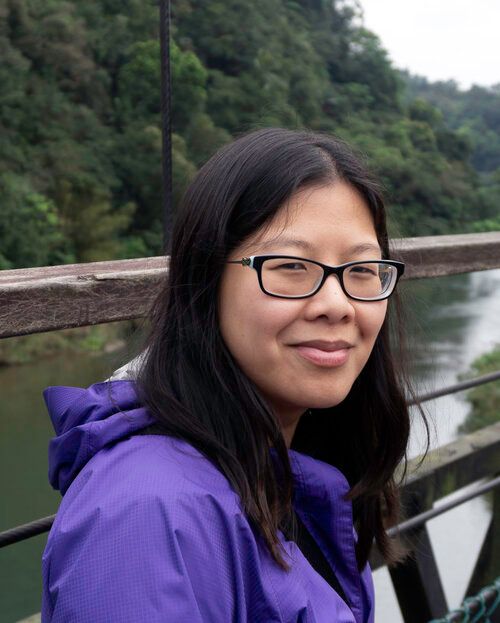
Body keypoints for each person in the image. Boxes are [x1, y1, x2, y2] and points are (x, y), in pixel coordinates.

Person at [41, 128, 416, 622]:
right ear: (206, 278)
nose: (337, 305)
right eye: (290, 266)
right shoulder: (148, 515)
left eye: (363, 270)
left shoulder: (296, 470)